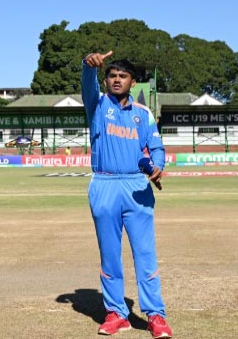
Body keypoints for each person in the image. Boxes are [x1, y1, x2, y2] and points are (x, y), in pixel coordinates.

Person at [81, 51, 173, 338]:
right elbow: (87, 85)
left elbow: (156, 147)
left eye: (123, 76)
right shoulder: (97, 105)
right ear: (106, 80)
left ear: (133, 82)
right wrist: (88, 66)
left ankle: (155, 315)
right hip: (104, 184)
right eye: (112, 76)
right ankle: (116, 313)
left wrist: (157, 167)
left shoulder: (143, 114)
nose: (117, 80)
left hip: (136, 186)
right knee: (110, 255)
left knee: (145, 254)